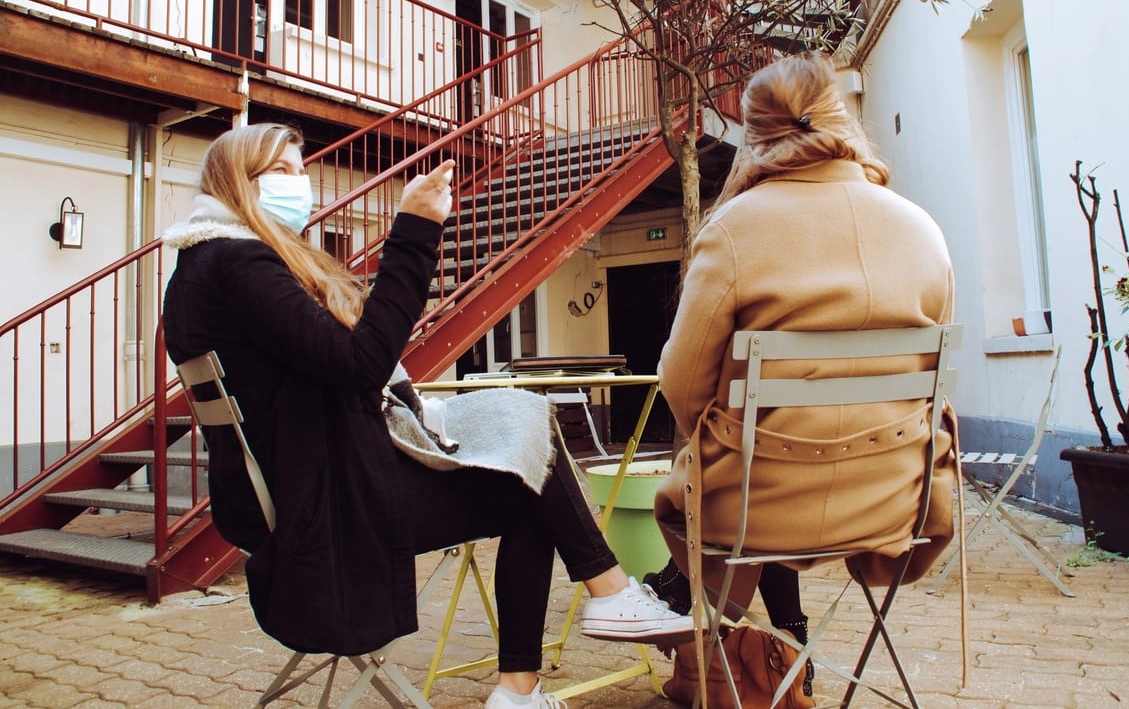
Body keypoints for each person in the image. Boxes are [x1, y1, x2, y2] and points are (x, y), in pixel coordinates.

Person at [161, 123, 691, 709]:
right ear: (237, 184)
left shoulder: (201, 272)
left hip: (310, 487)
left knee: (521, 434)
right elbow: (364, 362)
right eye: (280, 172)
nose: (300, 185)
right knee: (529, 486)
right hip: (333, 505)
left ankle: (566, 641)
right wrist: (413, 234)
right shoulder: (240, 267)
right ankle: (555, 651)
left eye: (301, 169)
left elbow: (333, 372)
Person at [650, 53, 959, 685]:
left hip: (756, 506)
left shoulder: (734, 230)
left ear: (754, 133)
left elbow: (681, 386)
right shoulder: (923, 230)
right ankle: (776, 640)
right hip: (892, 503)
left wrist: (747, 434)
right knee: (756, 453)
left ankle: (702, 627)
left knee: (727, 474)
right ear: (841, 120)